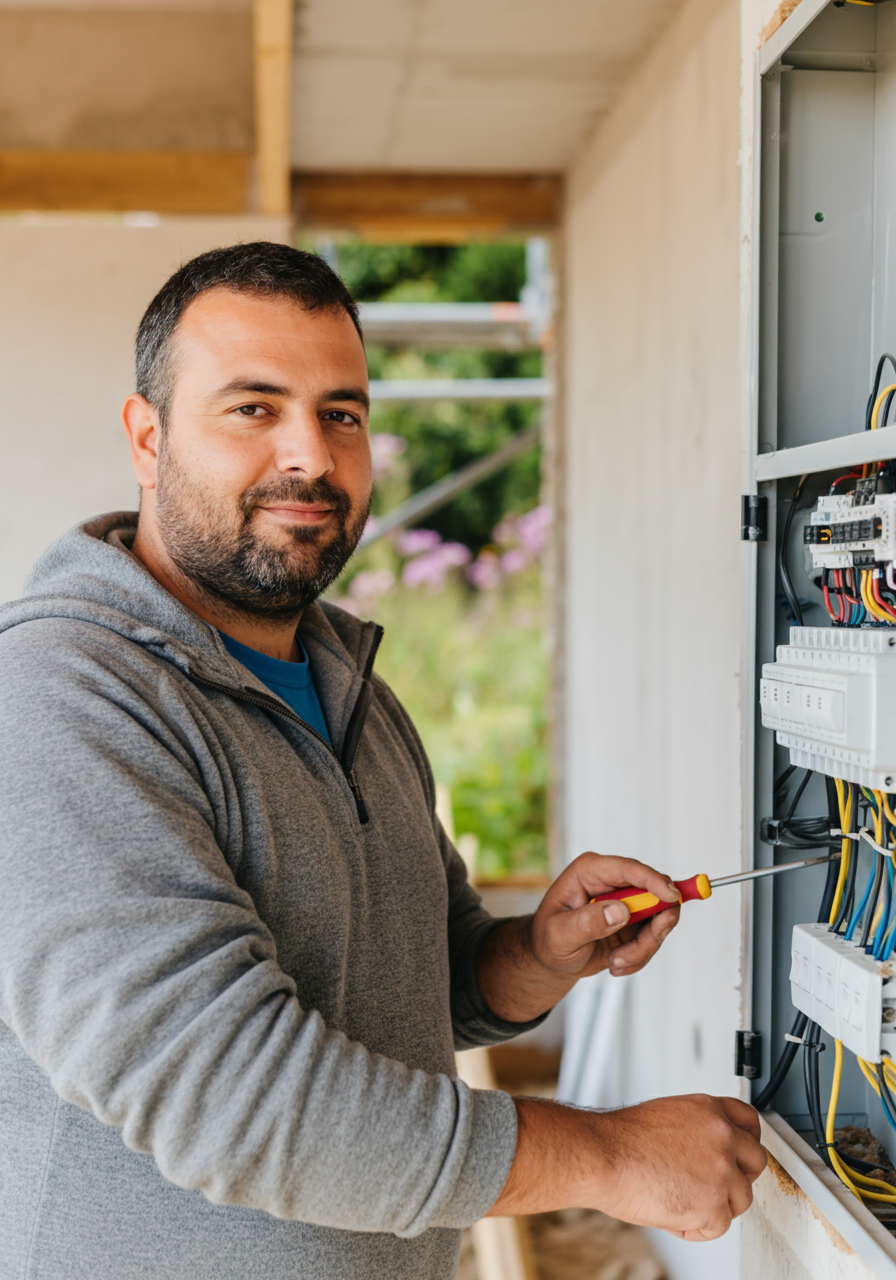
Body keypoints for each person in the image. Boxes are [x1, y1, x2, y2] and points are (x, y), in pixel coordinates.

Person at [0, 242, 766, 1280]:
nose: (309, 455)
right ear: (147, 436)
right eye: (253, 408)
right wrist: (608, 1154)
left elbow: (418, 986)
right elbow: (227, 1094)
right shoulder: (62, 697)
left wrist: (534, 952)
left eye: (342, 413)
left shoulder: (347, 682)